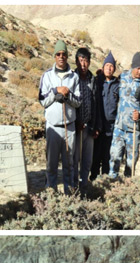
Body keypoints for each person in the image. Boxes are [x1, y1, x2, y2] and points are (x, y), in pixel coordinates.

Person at [38, 40, 80, 194]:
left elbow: (78, 102)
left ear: (67, 56)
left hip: (69, 127)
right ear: (54, 56)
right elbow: (43, 100)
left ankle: (69, 197)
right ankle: (51, 196)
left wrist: (67, 95)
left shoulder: (74, 77)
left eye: (64, 54)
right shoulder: (47, 76)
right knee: (51, 164)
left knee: (69, 165)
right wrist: (56, 92)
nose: (61, 56)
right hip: (53, 127)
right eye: (58, 54)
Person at [109, 52, 140, 180]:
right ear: (133, 66)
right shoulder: (122, 77)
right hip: (119, 127)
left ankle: (128, 189)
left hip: (133, 129)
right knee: (114, 157)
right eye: (138, 68)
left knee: (131, 162)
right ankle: (113, 184)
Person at [92, 51, 119, 179]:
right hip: (98, 127)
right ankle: (93, 183)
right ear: (103, 67)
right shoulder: (97, 82)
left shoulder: (118, 85)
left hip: (111, 128)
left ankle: (106, 186)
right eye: (107, 65)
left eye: (111, 66)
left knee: (107, 158)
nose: (109, 68)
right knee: (95, 157)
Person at [72, 47, 94, 192]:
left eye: (86, 61)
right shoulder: (72, 78)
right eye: (81, 61)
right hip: (76, 126)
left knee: (87, 160)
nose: (83, 64)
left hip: (90, 126)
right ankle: (74, 186)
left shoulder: (93, 79)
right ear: (76, 62)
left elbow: (96, 103)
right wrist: (76, 122)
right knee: (75, 160)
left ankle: (84, 186)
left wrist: (95, 125)